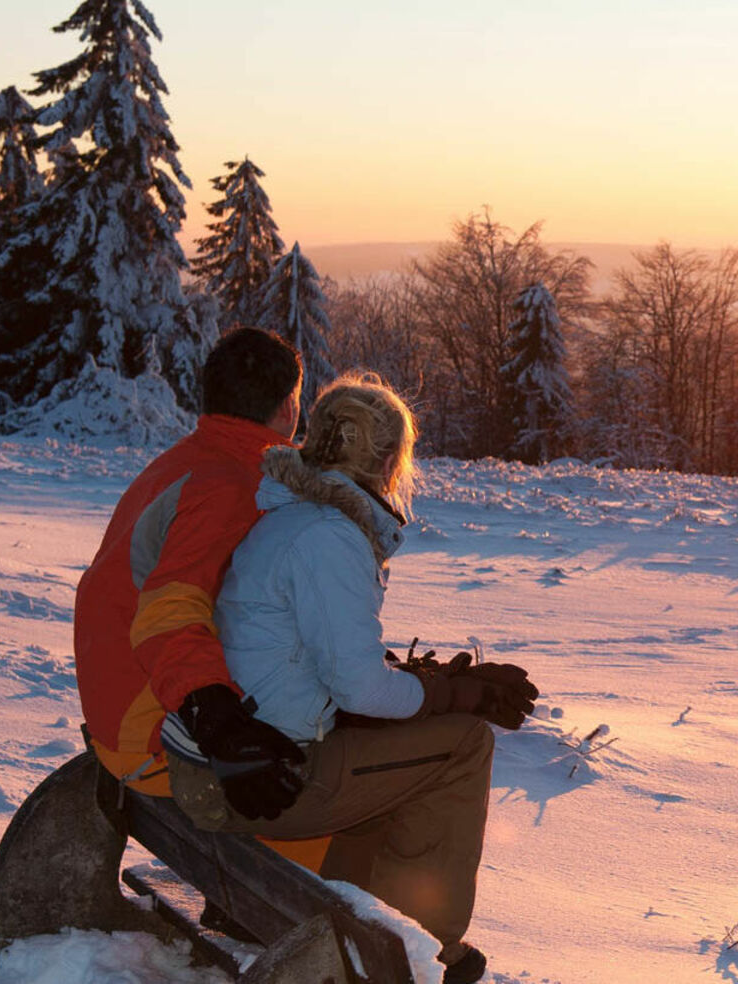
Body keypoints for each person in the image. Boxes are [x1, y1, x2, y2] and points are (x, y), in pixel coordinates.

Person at [160, 372, 537, 984]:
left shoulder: (291, 517)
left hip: (228, 761)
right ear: (389, 460)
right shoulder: (331, 537)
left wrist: (422, 688)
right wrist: (454, 696)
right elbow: (359, 689)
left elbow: (320, 662)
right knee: (464, 745)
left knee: (397, 751)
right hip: (263, 779)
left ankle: (364, 917)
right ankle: (423, 951)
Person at [74, 327, 312, 817]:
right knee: (371, 777)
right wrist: (220, 725)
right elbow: (170, 614)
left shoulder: (183, 463)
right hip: (153, 737)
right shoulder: (231, 485)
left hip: (119, 712)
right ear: (289, 407)